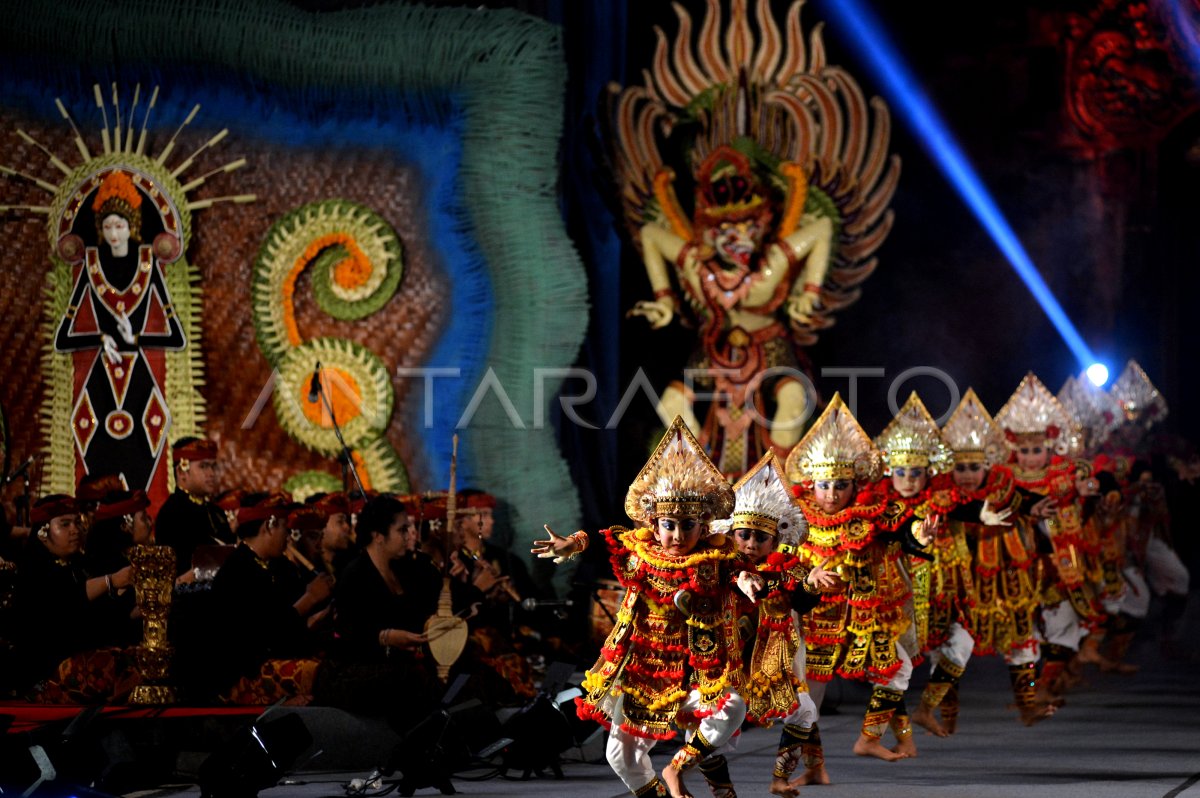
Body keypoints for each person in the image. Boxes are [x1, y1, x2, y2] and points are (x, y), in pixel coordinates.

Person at [533, 417, 753, 798]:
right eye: (669, 525)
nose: (678, 536)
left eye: (688, 525)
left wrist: (749, 580)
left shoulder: (717, 558)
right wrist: (574, 544)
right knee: (621, 757)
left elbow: (740, 572)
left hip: (696, 671)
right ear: (654, 523)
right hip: (644, 671)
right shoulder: (640, 552)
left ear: (704, 527)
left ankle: (677, 765)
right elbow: (607, 539)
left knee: (732, 707)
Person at [784, 393, 932, 770]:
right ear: (810, 483)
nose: (832, 493)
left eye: (840, 484)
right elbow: (779, 562)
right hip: (818, 619)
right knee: (808, 695)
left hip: (867, 615)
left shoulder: (873, 513)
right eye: (824, 484)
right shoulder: (795, 520)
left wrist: (921, 535)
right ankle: (792, 763)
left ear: (855, 485)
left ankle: (870, 737)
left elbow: (903, 531)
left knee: (897, 668)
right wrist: (808, 575)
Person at [53, 169, 186, 500]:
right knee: (97, 457)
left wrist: (137, 338)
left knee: (143, 459)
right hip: (99, 384)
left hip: (140, 383)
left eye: (121, 226)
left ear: (133, 227)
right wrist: (101, 339)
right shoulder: (91, 265)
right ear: (100, 228)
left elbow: (177, 339)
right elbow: (62, 340)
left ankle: (140, 524)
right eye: (109, 226)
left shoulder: (147, 265)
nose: (115, 234)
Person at [720, 452, 834, 798]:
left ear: (775, 541)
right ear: (731, 534)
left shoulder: (787, 570)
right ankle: (703, 782)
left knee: (804, 711)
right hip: (726, 666)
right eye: (744, 535)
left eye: (760, 537)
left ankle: (780, 778)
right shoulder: (715, 569)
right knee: (720, 732)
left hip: (773, 665)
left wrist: (812, 583)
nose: (751, 543)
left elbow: (801, 597)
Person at [936, 389, 1048, 726]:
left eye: (975, 467)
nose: (968, 474)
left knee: (1021, 641)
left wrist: (1040, 511)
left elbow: (1026, 500)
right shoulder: (941, 494)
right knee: (952, 647)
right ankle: (945, 709)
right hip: (956, 584)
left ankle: (1027, 703)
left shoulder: (1005, 488)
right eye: (961, 467)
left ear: (988, 466)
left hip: (1006, 582)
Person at [995, 373, 1100, 709]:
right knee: (1023, 632)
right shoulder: (1005, 479)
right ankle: (1028, 692)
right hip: (1019, 568)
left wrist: (1087, 489)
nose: (1029, 457)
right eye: (1023, 450)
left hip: (1058, 568)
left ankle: (1044, 686)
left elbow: (1085, 476)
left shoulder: (1062, 476)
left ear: (1050, 445)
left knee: (1063, 625)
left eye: (1036, 449)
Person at [315, 495, 435, 729]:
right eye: (402, 530)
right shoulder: (355, 575)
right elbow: (350, 635)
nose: (409, 535)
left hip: (393, 664)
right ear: (378, 536)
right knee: (409, 679)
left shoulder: (404, 571)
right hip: (350, 671)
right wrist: (387, 637)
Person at [206, 493, 330, 703]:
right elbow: (267, 634)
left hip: (277, 656)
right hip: (245, 671)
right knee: (319, 673)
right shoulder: (238, 571)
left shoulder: (280, 567)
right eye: (284, 528)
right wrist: (310, 599)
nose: (288, 537)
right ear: (268, 526)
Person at [14, 495, 137, 702]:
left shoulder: (80, 566)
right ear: (43, 533)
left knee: (141, 657)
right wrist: (111, 581)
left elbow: (104, 616)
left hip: (82, 657)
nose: (74, 530)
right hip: (45, 674)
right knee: (113, 666)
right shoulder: (33, 569)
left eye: (78, 523)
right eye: (64, 524)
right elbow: (65, 601)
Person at [155, 437, 234, 576]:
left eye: (213, 466)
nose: (211, 473)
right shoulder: (172, 514)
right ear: (181, 472)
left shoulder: (216, 512)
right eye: (203, 466)